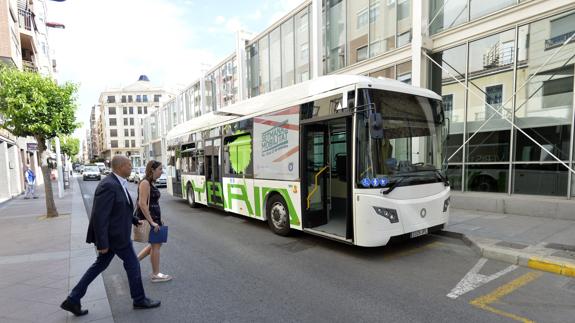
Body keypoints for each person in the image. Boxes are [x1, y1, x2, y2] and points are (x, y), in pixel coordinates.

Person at [60, 155, 160, 317]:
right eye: (128, 165)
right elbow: (100, 217)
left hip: (116, 235)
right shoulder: (108, 185)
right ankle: (139, 299)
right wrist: (102, 243)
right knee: (133, 264)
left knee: (99, 265)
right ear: (120, 167)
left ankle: (73, 298)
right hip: (115, 237)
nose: (131, 168)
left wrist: (135, 220)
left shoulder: (117, 182)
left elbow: (121, 208)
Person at [136, 160, 172, 282]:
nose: (162, 172)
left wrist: (158, 219)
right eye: (160, 169)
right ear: (152, 170)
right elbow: (142, 203)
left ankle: (134, 262)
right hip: (150, 219)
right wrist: (151, 221)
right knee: (156, 245)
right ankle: (156, 274)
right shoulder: (145, 183)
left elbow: (152, 202)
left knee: (156, 244)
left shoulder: (150, 183)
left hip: (155, 218)